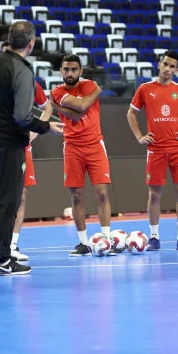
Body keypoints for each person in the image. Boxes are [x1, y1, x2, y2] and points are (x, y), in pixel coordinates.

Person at [0, 21, 63, 276]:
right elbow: (23, 117)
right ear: (31, 43)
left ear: (10, 39)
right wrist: (47, 127)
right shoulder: (22, 70)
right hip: (8, 144)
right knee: (8, 201)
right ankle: (3, 259)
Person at [127, 50, 178, 250]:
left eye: (172, 66)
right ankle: (154, 237)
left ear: (176, 70)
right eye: (165, 64)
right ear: (159, 65)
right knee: (154, 194)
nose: (168, 69)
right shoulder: (145, 89)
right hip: (156, 149)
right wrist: (139, 136)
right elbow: (131, 113)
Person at [50, 54, 115, 256]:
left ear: (80, 71)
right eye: (66, 69)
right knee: (76, 197)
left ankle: (106, 238)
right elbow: (79, 110)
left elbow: (82, 106)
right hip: (72, 147)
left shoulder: (88, 85)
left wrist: (57, 106)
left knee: (102, 193)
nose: (70, 73)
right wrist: (96, 92)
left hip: (95, 145)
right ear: (61, 71)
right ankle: (83, 243)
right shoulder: (57, 90)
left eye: (74, 69)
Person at [0, 40, 53, 261]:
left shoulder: (28, 80)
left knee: (21, 196)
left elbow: (47, 106)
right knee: (1, 196)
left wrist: (35, 132)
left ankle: (12, 245)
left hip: (22, 146)